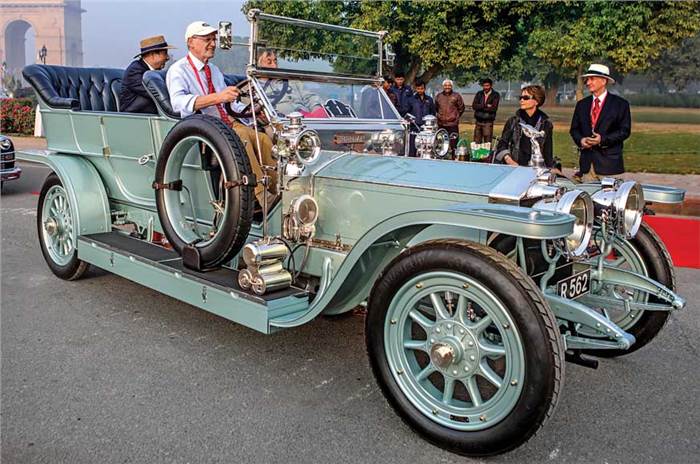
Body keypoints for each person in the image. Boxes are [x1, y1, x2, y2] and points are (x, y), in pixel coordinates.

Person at [167, 21, 275, 204]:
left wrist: (253, 111)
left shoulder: (214, 70)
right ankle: (262, 197)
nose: (212, 44)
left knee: (264, 139)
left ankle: (278, 189)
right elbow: (178, 103)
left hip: (228, 123)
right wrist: (217, 97)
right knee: (243, 138)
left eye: (214, 39)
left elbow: (230, 103)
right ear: (190, 42)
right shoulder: (178, 70)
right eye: (207, 39)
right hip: (206, 129)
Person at [570, 64, 631, 180]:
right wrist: (581, 140)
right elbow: (574, 129)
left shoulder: (620, 105)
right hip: (587, 166)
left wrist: (602, 140)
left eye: (592, 79)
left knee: (610, 198)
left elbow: (624, 131)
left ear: (603, 81)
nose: (588, 83)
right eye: (587, 79)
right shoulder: (582, 105)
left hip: (610, 166)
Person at [494, 85, 554, 168]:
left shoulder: (546, 124)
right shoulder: (513, 121)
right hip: (515, 168)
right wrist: (509, 160)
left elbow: (548, 152)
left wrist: (550, 169)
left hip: (537, 168)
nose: (522, 100)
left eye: (526, 97)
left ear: (537, 101)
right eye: (520, 97)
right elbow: (502, 145)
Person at [257, 49, 324, 117]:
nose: (274, 66)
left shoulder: (291, 80)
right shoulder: (255, 87)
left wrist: (317, 109)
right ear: (259, 65)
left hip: (306, 119)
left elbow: (309, 96)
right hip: (281, 122)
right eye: (269, 62)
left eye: (275, 61)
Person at [119, 35, 175, 114]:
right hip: (136, 118)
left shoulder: (156, 73)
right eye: (165, 53)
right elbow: (157, 93)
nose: (167, 58)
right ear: (152, 55)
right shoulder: (135, 71)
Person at [435, 79, 465, 153]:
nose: (447, 87)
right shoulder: (439, 96)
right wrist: (439, 116)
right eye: (445, 85)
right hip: (441, 124)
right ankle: (441, 157)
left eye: (449, 85)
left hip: (452, 124)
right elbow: (436, 108)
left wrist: (455, 116)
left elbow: (461, 108)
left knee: (453, 144)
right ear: (443, 86)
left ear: (451, 86)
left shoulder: (457, 96)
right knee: (440, 143)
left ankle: (454, 158)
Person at [407, 80, 435, 157]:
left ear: (424, 88)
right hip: (414, 127)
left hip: (426, 129)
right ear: (416, 89)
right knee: (413, 148)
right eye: (418, 88)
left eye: (422, 88)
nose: (420, 90)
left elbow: (433, 113)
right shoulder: (411, 99)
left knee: (426, 148)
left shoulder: (429, 99)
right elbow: (407, 112)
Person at [471, 78, 500, 143]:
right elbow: (474, 106)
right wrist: (486, 105)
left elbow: (493, 108)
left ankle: (487, 153)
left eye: (487, 86)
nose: (485, 87)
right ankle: (477, 153)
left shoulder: (495, 95)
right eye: (484, 86)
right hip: (478, 121)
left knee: (487, 141)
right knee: (476, 141)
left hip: (488, 121)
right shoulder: (479, 94)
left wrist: (480, 106)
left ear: (491, 85)